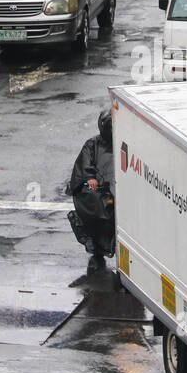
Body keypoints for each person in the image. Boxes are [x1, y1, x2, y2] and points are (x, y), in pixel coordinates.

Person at [67, 110, 115, 273]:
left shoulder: (122, 142)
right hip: (100, 190)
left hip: (114, 187)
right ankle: (95, 242)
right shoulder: (92, 144)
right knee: (94, 204)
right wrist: (90, 178)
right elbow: (85, 163)